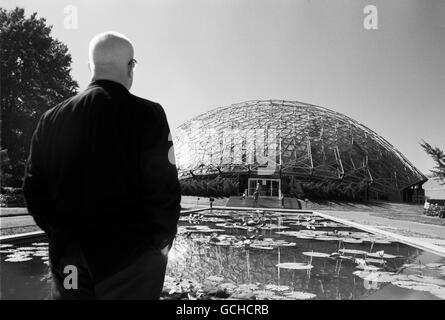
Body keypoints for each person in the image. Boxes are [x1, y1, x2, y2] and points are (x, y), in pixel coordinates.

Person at [22, 31, 181, 300]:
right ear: (131, 67)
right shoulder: (149, 114)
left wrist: (61, 234)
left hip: (69, 261)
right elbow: (164, 187)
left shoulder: (51, 119)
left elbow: (33, 188)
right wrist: (161, 243)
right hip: (130, 262)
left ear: (90, 67)